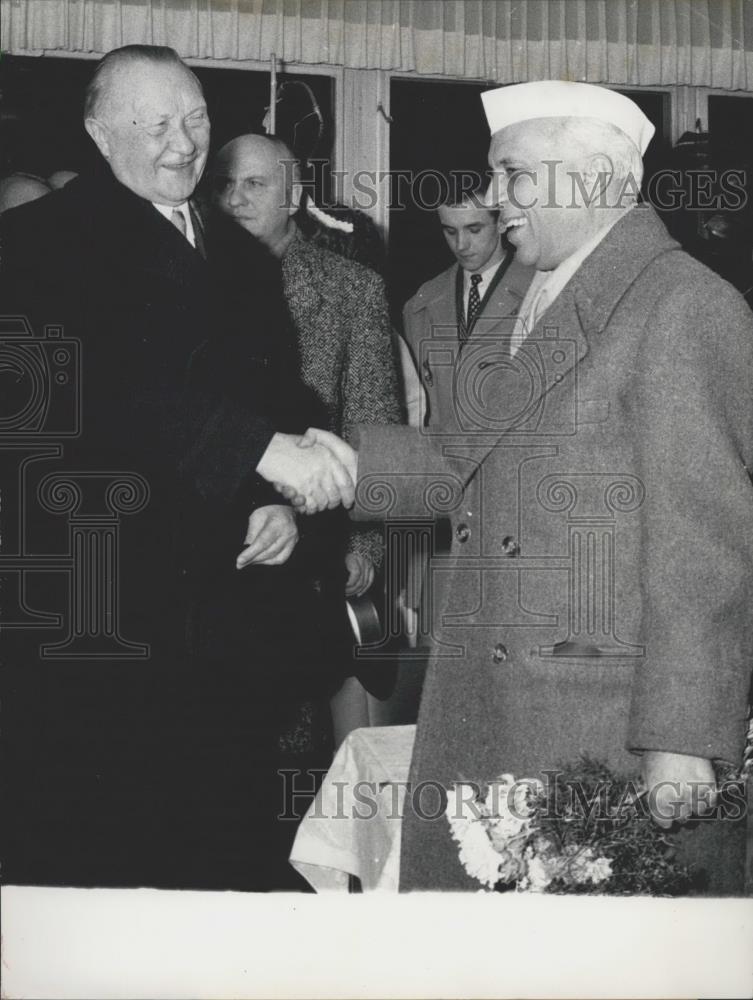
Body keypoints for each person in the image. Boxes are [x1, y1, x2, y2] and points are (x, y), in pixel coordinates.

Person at [283, 81, 753, 894]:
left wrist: (682, 737)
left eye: (513, 175)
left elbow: (702, 552)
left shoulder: (684, 306)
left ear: (599, 178)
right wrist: (339, 460)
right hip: (490, 697)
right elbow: (455, 459)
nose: (494, 197)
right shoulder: (520, 296)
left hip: (601, 726)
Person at [0, 45, 354, 891]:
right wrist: (261, 452)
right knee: (97, 862)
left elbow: (274, 390)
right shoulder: (35, 242)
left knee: (216, 849)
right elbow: (92, 390)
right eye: (153, 122)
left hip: (223, 626)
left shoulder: (234, 254)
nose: (182, 142)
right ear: (96, 130)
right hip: (96, 620)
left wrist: (280, 498)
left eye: (194, 118)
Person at [212, 133, 403, 744]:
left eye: (254, 184)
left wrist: (366, 550)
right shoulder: (188, 281)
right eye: (223, 185)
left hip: (308, 564)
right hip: (209, 560)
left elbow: (377, 430)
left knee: (289, 750)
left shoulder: (351, 290)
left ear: (294, 195)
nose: (235, 199)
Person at [401, 183, 534, 430]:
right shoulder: (421, 304)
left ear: (501, 222)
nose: (461, 244)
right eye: (450, 231)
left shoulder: (539, 291)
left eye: (474, 230)